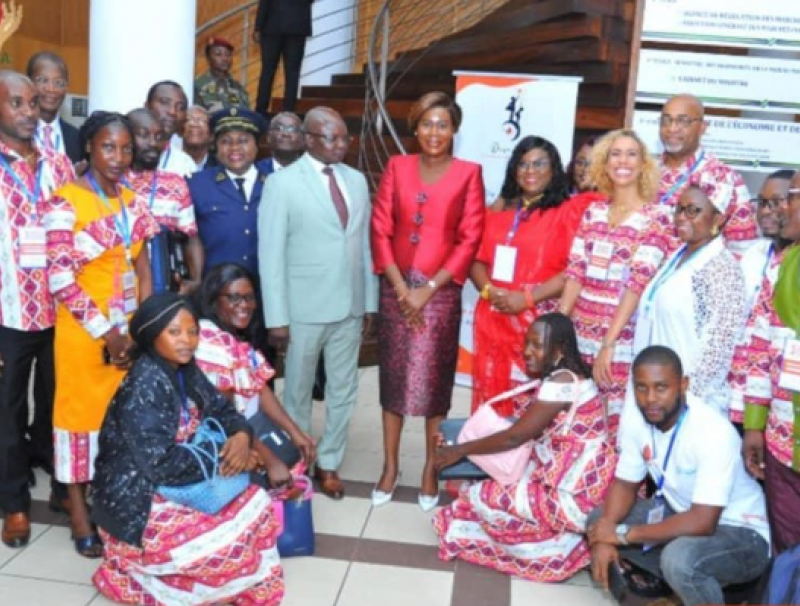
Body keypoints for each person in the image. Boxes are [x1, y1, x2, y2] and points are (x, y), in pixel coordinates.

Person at [91, 293, 284, 606]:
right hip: (139, 500)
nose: (187, 341)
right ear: (152, 336)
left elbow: (224, 410)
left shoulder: (184, 368)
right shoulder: (144, 384)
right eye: (175, 332)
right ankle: (170, 581)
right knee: (215, 542)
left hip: (181, 479)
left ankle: (214, 586)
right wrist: (228, 460)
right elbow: (160, 465)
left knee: (256, 503)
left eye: (193, 331)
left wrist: (240, 437)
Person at [44, 111, 159, 557]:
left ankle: (115, 504)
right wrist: (107, 334)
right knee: (78, 422)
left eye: (126, 148)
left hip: (128, 334)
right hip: (83, 334)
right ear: (89, 147)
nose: (119, 156)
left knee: (120, 425)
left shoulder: (134, 202)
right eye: (109, 147)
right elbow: (60, 280)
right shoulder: (63, 202)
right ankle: (77, 514)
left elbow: (144, 268)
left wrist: (140, 330)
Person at [433, 313, 617, 581]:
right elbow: (518, 434)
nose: (527, 351)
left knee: (477, 497)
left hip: (572, 497)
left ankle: (567, 550)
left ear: (559, 349)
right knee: (488, 488)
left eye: (536, 345)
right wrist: (459, 442)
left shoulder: (561, 384)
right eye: (526, 343)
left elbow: (514, 437)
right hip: (578, 485)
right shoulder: (570, 378)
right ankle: (564, 540)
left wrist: (457, 450)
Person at [370, 92, 484, 510]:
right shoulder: (397, 167)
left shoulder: (469, 173)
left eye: (443, 125)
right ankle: (389, 466)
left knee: (434, 387)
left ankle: (430, 468)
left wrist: (427, 290)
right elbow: (380, 228)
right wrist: (402, 289)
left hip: (439, 295)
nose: (434, 132)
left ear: (453, 130)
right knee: (393, 384)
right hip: (396, 289)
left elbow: (469, 238)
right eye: (427, 124)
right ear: (415, 129)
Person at [587, 346, 770, 606]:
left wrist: (622, 534)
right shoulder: (639, 421)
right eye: (641, 387)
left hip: (742, 534)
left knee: (679, 560)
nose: (650, 398)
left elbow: (703, 522)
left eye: (661, 387)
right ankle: (659, 596)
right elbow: (625, 485)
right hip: (681, 513)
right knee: (597, 519)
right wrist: (605, 535)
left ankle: (693, 587)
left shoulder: (712, 431)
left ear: (683, 384)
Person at [259, 106, 377, 500]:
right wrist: (277, 317)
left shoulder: (356, 181)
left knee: (344, 390)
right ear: (309, 139)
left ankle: (329, 462)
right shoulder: (283, 184)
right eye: (331, 138)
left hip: (350, 307)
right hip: (303, 310)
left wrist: (370, 301)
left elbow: (363, 246)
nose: (340, 145)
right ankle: (297, 462)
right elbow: (270, 255)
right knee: (296, 393)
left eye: (344, 137)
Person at [471, 135, 599, 416]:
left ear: (554, 169)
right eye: (523, 164)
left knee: (528, 404)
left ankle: (523, 458)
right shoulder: (499, 211)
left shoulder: (568, 212)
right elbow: (476, 260)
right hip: (492, 316)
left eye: (540, 163)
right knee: (489, 399)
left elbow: (574, 271)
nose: (531, 171)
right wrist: (490, 292)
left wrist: (526, 299)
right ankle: (487, 456)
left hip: (536, 322)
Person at [0, 71, 74, 548]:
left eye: (32, 103)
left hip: (61, 310)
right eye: (18, 103)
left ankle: (67, 486)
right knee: (6, 412)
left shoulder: (59, 164)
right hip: (6, 314)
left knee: (63, 405)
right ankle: (14, 504)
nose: (30, 111)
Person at [559, 129, 676, 424]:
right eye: (615, 153)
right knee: (575, 420)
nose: (623, 161)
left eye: (631, 154)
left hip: (620, 340)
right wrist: (557, 330)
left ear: (643, 165)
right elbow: (575, 273)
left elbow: (636, 285)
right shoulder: (593, 212)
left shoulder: (657, 217)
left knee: (613, 423)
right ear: (604, 162)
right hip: (578, 334)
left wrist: (608, 346)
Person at [631, 178, 746, 416]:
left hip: (689, 406)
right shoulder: (677, 256)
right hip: (657, 396)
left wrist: (684, 400)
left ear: (718, 218)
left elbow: (717, 349)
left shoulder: (723, 269)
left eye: (693, 210)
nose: (682, 216)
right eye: (680, 209)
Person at [194, 263, 316, 483]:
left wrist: (295, 432)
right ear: (214, 300)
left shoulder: (232, 335)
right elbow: (224, 417)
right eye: (234, 298)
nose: (245, 305)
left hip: (249, 426)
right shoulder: (211, 343)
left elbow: (259, 389)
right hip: (224, 440)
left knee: (292, 458)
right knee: (278, 477)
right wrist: (269, 460)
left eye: (249, 298)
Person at [742, 169, 800, 554]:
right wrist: (754, 425)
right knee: (788, 551)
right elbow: (759, 349)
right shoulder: (782, 265)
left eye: (791, 197)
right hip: (782, 437)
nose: (784, 208)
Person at [728, 169, 793, 424]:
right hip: (739, 393)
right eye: (762, 202)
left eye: (775, 202)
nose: (765, 211)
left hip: (781, 403)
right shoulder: (753, 255)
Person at [657, 94, 756, 256]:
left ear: (703, 127)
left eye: (683, 121)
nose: (673, 128)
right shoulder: (643, 172)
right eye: (667, 120)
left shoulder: (724, 178)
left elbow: (742, 249)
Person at [124, 108, 203, 294]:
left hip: (164, 287)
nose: (153, 143)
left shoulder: (175, 183)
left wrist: (196, 280)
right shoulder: (110, 182)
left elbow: (190, 236)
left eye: (159, 137)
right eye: (143, 135)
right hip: (116, 288)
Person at [189, 107, 272, 277]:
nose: (234, 148)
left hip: (265, 290)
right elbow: (189, 240)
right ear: (216, 147)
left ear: (257, 146)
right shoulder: (197, 184)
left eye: (243, 141)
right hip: (216, 291)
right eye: (226, 141)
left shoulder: (275, 184)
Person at [253, 0, 314, 115]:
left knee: (267, 71)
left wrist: (258, 26)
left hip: (272, 24)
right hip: (297, 25)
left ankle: (261, 110)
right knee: (292, 72)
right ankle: (289, 111)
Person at [26, 52, 82, 163]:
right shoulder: (13, 133)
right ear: (28, 82)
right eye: (43, 80)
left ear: (67, 87)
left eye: (59, 83)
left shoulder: (78, 138)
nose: (51, 89)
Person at [144, 80, 197, 177]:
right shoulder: (123, 155)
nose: (172, 112)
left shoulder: (186, 165)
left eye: (180, 107)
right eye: (164, 102)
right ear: (147, 106)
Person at [194, 36, 251, 113]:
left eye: (228, 54)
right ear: (208, 57)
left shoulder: (239, 88)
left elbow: (247, 115)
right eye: (218, 54)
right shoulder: (198, 85)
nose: (224, 58)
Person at [182, 105, 215, 171]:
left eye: (202, 121)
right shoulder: (168, 163)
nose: (194, 124)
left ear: (211, 136)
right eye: (188, 119)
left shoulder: (220, 167)